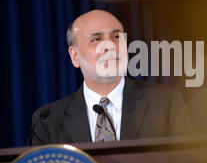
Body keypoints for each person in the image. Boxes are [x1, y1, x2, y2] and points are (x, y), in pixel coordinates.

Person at [30, 10, 193, 145]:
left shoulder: (166, 103)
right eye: (96, 39)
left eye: (116, 37)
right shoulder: (48, 121)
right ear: (75, 56)